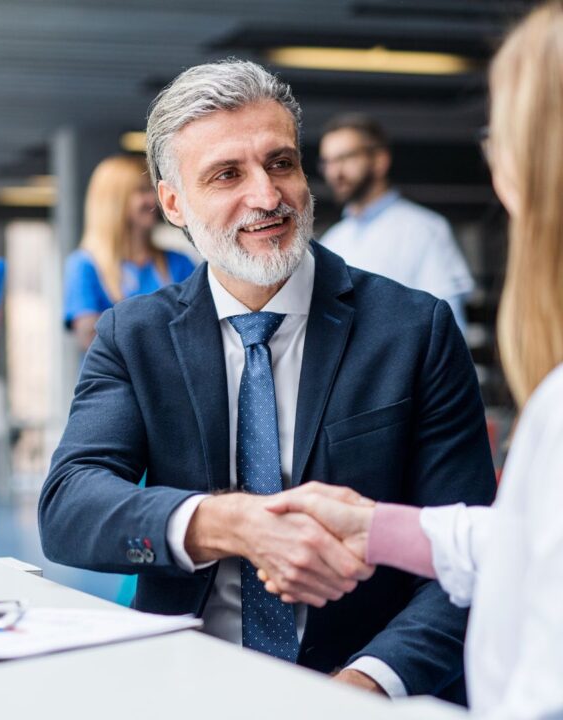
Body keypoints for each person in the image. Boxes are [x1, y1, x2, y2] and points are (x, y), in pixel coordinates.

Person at [38, 59, 496, 701]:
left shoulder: (413, 330)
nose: (267, 195)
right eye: (228, 174)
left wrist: (365, 685)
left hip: (361, 682)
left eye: (281, 163)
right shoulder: (134, 336)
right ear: (173, 203)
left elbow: (468, 554)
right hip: (184, 684)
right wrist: (229, 524)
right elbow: (69, 507)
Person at [263, 3, 563, 717]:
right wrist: (379, 528)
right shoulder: (336, 240)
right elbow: (535, 541)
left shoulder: (422, 249)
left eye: (502, 136)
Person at [317, 113, 475, 331]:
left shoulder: (426, 229)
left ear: (380, 161)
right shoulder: (332, 240)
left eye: (346, 158)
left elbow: (449, 325)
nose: (335, 172)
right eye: (328, 162)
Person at [64, 154, 196, 350]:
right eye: (142, 191)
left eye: (153, 189)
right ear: (115, 201)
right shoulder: (84, 265)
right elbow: (91, 339)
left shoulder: (179, 262)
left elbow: (198, 327)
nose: (154, 199)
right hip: (116, 381)